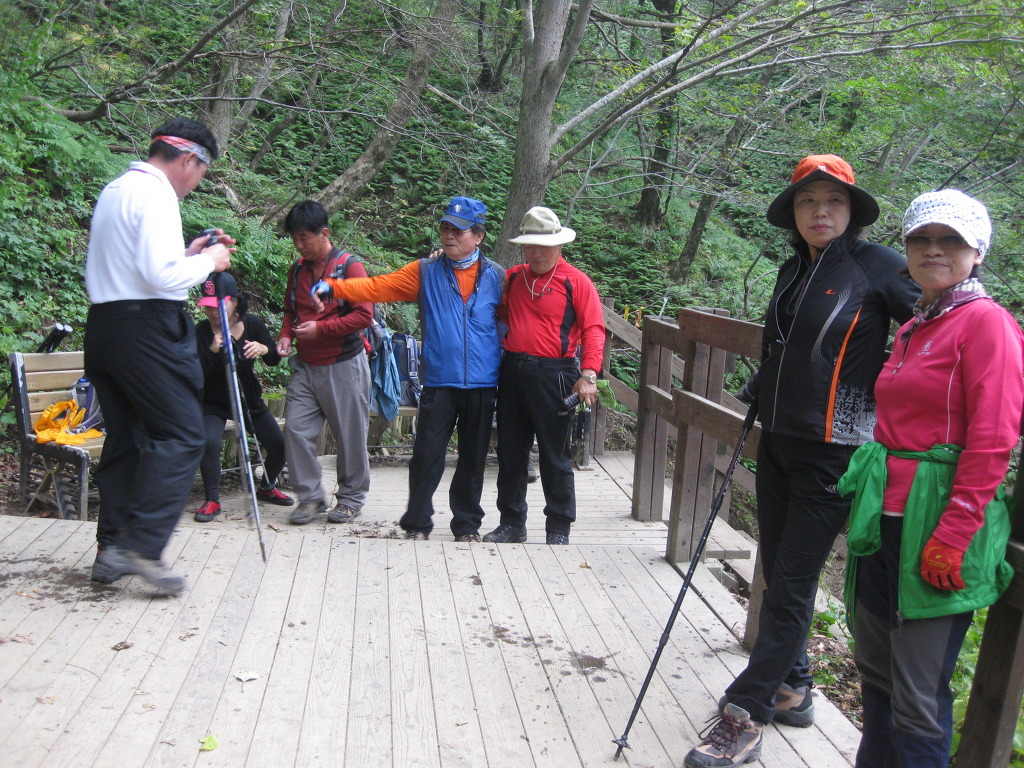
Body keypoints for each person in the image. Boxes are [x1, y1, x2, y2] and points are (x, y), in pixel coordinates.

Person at [684, 155, 920, 767]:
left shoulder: (880, 267)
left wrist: (898, 395)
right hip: (780, 441)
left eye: (833, 201)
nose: (820, 211)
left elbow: (938, 329)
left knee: (790, 582)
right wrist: (764, 385)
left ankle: (747, 712)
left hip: (836, 453)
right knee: (780, 570)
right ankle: (793, 687)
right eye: (807, 201)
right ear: (793, 212)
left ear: (852, 211)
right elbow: (788, 347)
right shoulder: (795, 268)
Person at [838, 190, 1024, 768]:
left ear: (977, 252)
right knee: (876, 673)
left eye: (951, 240)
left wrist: (955, 532)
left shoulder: (986, 323)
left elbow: (994, 437)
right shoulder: (918, 323)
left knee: (917, 695)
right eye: (921, 238)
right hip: (884, 521)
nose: (933, 249)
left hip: (936, 524)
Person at [84, 118, 234, 596]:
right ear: (189, 159)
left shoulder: (117, 189)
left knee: (127, 436)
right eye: (202, 172)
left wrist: (187, 253)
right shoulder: (157, 195)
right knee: (183, 433)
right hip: (146, 329)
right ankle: (144, 547)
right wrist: (209, 261)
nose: (197, 183)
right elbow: (160, 277)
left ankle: (111, 549)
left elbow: (141, 265)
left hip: (105, 326)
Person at [313, 196, 504, 541]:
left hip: (482, 383)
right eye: (445, 228)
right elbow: (377, 286)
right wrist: (336, 287)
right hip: (439, 381)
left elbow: (513, 323)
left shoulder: (499, 277)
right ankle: (417, 523)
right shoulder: (425, 271)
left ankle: (466, 526)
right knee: (426, 455)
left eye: (458, 231)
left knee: (473, 459)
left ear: (478, 236)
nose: (449, 235)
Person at [483, 206, 605, 546]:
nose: (536, 253)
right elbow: (488, 303)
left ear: (559, 245)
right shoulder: (512, 278)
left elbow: (594, 329)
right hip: (513, 370)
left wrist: (589, 375)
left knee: (555, 455)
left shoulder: (576, 281)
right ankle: (511, 523)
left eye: (544, 246)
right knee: (510, 452)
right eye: (530, 246)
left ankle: (558, 528)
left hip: (556, 373)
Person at [278, 200, 373, 525]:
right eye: (295, 238)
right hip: (306, 364)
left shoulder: (350, 267)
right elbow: (290, 310)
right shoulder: (297, 270)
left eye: (304, 237)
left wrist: (321, 329)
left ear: (324, 233)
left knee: (349, 436)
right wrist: (286, 335)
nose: (298, 244)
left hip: (343, 363)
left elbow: (364, 316)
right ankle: (310, 498)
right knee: (296, 429)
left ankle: (350, 499)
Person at [193, 272, 293, 523]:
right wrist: (213, 351)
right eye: (208, 307)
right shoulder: (201, 331)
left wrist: (264, 348)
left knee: (280, 446)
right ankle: (212, 499)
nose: (213, 312)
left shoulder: (252, 324)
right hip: (212, 401)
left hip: (247, 399)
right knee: (209, 443)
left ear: (234, 302)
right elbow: (195, 374)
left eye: (219, 305)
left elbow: (273, 359)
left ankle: (266, 487)